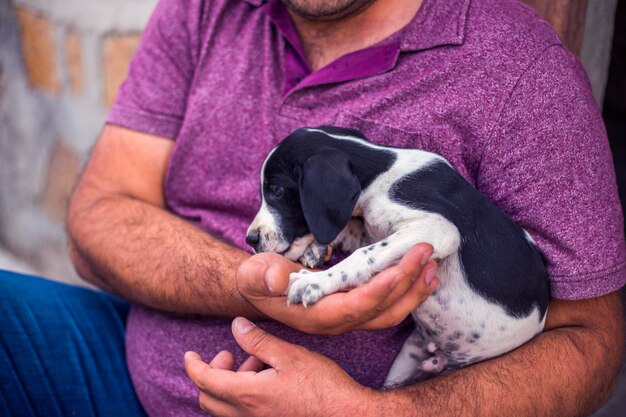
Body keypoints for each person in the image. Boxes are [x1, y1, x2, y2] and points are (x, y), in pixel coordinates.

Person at [1, 0, 625, 416]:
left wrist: (371, 413)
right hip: (126, 377)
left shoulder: (519, 69)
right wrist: (251, 286)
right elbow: (100, 213)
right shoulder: (205, 10)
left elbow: (589, 341)